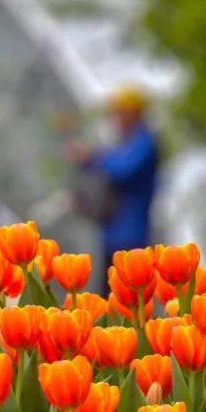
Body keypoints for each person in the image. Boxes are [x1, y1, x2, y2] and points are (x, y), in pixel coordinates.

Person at [68, 87, 160, 288]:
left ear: (135, 112)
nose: (116, 118)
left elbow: (123, 169)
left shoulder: (144, 143)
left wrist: (93, 157)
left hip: (132, 234)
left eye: (121, 112)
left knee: (127, 294)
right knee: (109, 294)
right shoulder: (122, 143)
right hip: (112, 232)